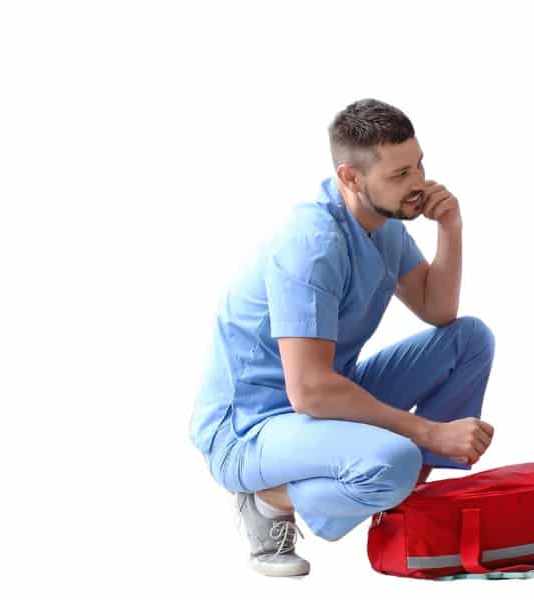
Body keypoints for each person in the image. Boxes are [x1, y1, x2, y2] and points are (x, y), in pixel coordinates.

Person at [189, 98, 496, 577]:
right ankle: (268, 498)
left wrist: (450, 227)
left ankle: (402, 495)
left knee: (470, 339)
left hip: (325, 397)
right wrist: (428, 431)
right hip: (252, 427)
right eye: (400, 175)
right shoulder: (311, 245)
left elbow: (438, 310)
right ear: (350, 177)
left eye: (419, 165)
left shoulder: (381, 224)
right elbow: (309, 391)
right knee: (395, 458)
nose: (418, 183)